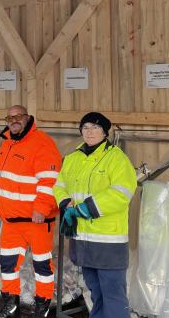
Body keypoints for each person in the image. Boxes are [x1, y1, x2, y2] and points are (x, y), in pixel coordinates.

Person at [52, 112, 137, 318]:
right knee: (95, 291)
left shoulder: (116, 158)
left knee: (113, 293)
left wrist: (86, 208)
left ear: (105, 132)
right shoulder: (72, 158)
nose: (89, 132)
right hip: (82, 239)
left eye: (95, 128)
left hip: (108, 241)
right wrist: (65, 202)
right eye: (86, 128)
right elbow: (59, 185)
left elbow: (121, 193)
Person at [0, 105, 62, 318]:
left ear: (28, 118)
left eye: (18, 116)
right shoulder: (9, 141)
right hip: (11, 220)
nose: (13, 121)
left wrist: (41, 209)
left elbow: (50, 180)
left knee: (42, 265)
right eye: (9, 118)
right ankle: (11, 307)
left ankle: (42, 310)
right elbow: (3, 164)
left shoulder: (42, 143)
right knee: (8, 264)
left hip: (36, 220)